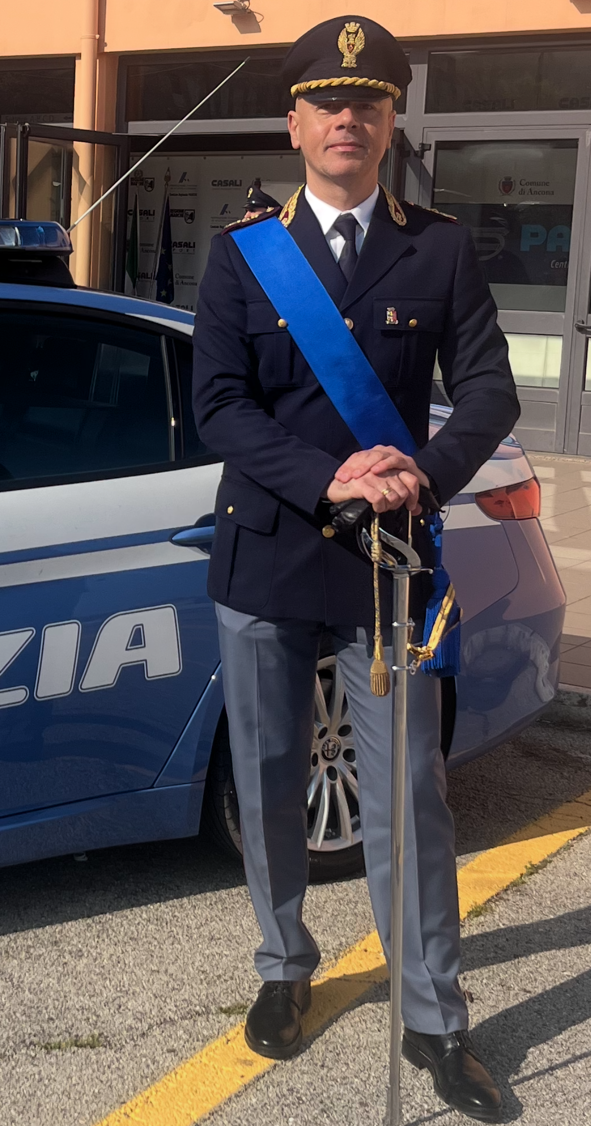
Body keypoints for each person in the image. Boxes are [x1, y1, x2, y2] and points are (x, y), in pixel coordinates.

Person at [192, 15, 520, 1123]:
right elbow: (219, 404)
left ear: (390, 123)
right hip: (269, 554)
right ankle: (285, 965)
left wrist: (420, 472)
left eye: (368, 103)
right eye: (327, 103)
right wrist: (330, 476)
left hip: (388, 566)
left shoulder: (440, 249)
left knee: (410, 798)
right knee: (268, 781)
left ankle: (434, 1018)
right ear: (294, 124)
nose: (348, 118)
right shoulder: (244, 253)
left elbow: (488, 390)